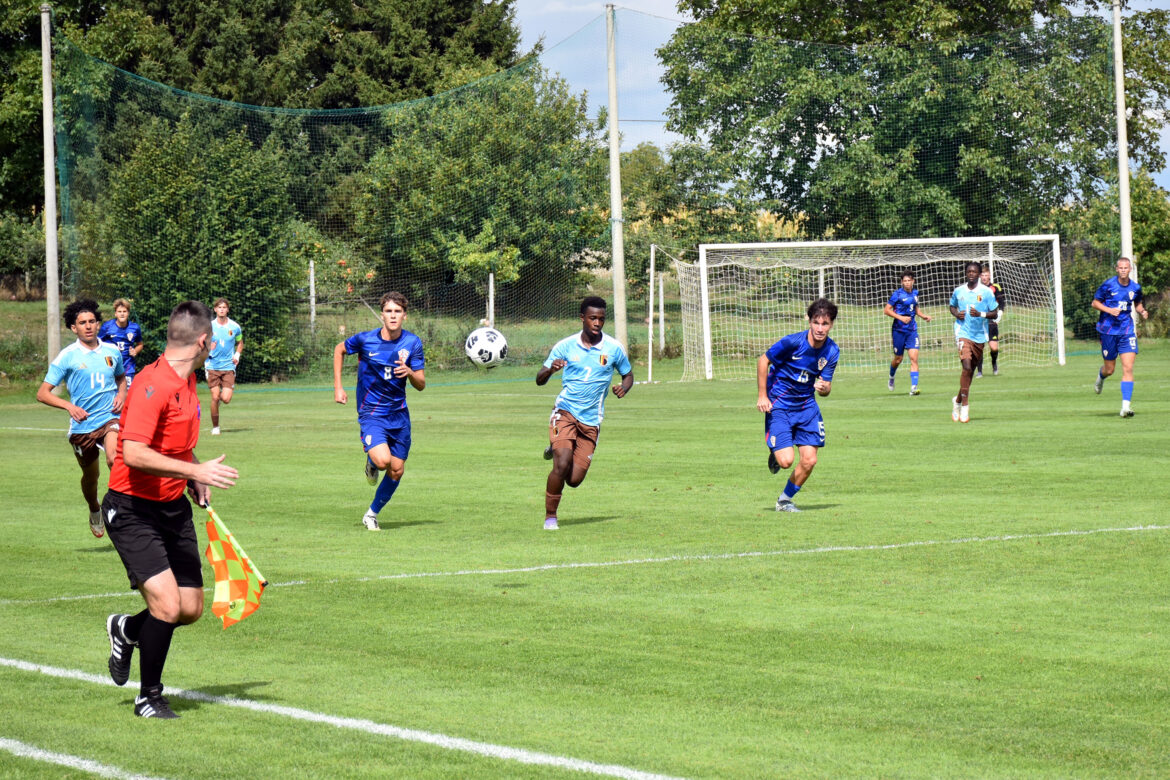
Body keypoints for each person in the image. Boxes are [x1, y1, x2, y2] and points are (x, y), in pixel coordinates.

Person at [101, 301, 239, 719]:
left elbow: (174, 444)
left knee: (191, 607)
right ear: (203, 341)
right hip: (131, 508)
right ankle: (149, 697)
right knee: (166, 605)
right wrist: (193, 469)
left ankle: (126, 629)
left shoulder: (189, 380)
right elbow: (134, 453)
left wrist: (192, 475)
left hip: (171, 506)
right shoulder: (152, 383)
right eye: (211, 341)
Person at [536, 296, 633, 530]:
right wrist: (550, 369)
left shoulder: (614, 348)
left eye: (601, 319)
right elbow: (539, 379)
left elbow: (628, 375)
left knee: (574, 480)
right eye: (592, 318)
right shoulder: (565, 346)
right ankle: (551, 517)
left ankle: (557, 447)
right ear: (582, 318)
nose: (597, 323)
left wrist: (624, 388)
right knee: (561, 464)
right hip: (565, 411)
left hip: (591, 421)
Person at [333, 291, 425, 530]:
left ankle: (371, 514)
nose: (393, 316)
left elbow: (421, 384)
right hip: (372, 413)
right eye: (388, 311)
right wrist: (338, 387)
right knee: (383, 461)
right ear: (381, 314)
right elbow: (339, 350)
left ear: (404, 316)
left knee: (397, 469)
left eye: (397, 312)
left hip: (399, 415)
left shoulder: (412, 343)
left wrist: (410, 372)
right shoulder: (365, 340)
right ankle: (372, 461)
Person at [36, 299, 127, 538]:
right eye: (82, 323)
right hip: (82, 426)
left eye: (92, 322)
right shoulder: (67, 356)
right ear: (73, 328)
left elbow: (121, 378)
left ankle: (121, 511)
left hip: (110, 418)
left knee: (114, 458)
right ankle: (95, 508)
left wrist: (122, 393)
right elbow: (42, 393)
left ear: (98, 324)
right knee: (91, 476)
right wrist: (69, 406)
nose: (88, 326)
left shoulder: (112, 351)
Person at [757, 298, 840, 512]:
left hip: (807, 409)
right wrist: (762, 396)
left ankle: (784, 500)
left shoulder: (832, 351)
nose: (820, 328)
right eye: (816, 322)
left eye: (825, 324)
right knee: (786, 461)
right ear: (809, 321)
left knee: (810, 461)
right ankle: (776, 450)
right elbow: (763, 360)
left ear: (831, 325)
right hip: (781, 406)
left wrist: (825, 389)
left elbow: (827, 388)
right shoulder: (792, 343)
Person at [1092, 257, 1148, 417]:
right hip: (1108, 331)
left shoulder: (1135, 288)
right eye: (1121, 268)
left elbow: (1137, 303)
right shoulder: (1108, 285)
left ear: (1130, 269)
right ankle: (1101, 377)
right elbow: (1095, 303)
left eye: (1126, 267)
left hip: (1126, 331)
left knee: (1128, 368)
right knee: (1110, 369)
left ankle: (1125, 407)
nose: (1123, 270)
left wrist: (1142, 311)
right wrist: (1109, 310)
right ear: (1117, 269)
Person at [948, 261, 999, 423]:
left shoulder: (986, 292)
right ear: (966, 273)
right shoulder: (959, 291)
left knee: (968, 373)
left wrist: (980, 314)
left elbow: (995, 312)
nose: (971, 274)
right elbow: (952, 306)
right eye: (969, 271)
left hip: (979, 336)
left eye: (974, 272)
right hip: (962, 333)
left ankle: (957, 401)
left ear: (978, 274)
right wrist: (957, 314)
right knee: (967, 366)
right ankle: (965, 407)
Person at [883, 270, 932, 395]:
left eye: (909, 280)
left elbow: (914, 308)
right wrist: (901, 318)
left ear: (913, 281)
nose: (907, 283)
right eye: (904, 281)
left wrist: (923, 316)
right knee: (898, 359)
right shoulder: (897, 295)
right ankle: (891, 377)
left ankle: (913, 388)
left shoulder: (915, 293)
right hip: (898, 330)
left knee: (914, 359)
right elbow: (887, 310)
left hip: (912, 330)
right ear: (902, 282)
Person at [206, 297, 243, 435]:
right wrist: (209, 347)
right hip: (212, 366)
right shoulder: (209, 326)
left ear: (227, 310)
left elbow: (240, 343)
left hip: (228, 366)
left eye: (224, 307)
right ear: (215, 309)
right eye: (219, 307)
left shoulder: (235, 327)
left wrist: (237, 355)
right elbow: (200, 344)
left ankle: (217, 403)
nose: (221, 310)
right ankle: (216, 427)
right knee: (215, 397)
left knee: (225, 399)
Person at [98, 298, 144, 387]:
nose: (122, 314)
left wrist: (135, 351)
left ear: (128, 313)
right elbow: (97, 344)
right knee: (112, 395)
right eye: (119, 311)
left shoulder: (134, 328)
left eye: (124, 311)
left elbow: (140, 344)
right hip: (110, 365)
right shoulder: (107, 327)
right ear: (115, 313)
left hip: (128, 366)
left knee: (127, 395)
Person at [975, 266, 1006, 377]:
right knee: (979, 347)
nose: (984, 277)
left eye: (986, 275)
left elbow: (1002, 303)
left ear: (989, 276)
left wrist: (999, 315)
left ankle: (994, 363)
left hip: (992, 321)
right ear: (980, 276)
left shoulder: (995, 287)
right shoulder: (976, 289)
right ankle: (979, 371)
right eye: (982, 275)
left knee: (994, 348)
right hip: (980, 322)